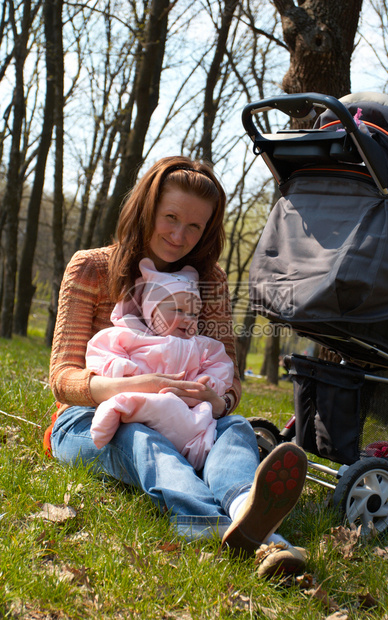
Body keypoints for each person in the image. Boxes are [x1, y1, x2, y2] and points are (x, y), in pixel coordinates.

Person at [45, 155, 308, 578]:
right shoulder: (92, 267)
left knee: (236, 428)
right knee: (140, 437)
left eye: (194, 226)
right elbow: (62, 379)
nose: (178, 235)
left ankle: (246, 504)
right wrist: (138, 385)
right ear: (146, 210)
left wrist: (216, 400)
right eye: (170, 217)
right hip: (92, 420)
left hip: (189, 418)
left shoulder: (211, 282)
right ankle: (217, 527)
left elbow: (230, 381)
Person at [85, 258, 234, 470]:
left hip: (186, 409)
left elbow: (221, 362)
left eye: (193, 313)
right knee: (135, 402)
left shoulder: (199, 345)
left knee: (209, 424)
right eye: (178, 310)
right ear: (151, 311)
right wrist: (121, 368)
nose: (187, 319)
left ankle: (205, 459)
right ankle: (113, 412)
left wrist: (211, 386)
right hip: (146, 401)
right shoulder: (132, 334)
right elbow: (100, 349)